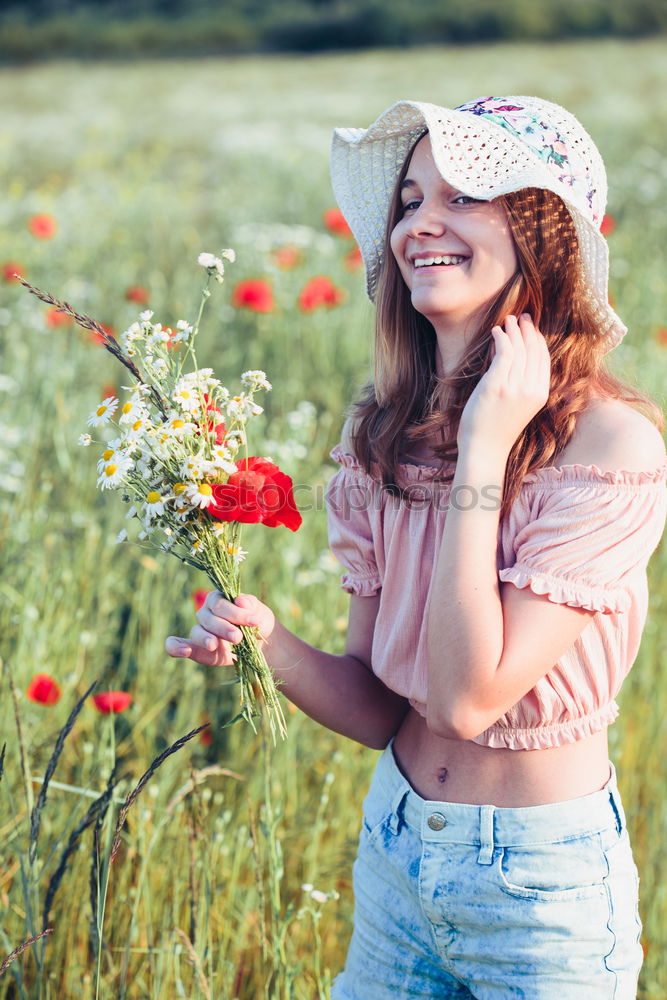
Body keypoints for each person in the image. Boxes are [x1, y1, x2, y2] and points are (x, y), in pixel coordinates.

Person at [166, 95, 667, 998]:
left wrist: (483, 448)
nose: (418, 225)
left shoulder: (611, 447)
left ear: (540, 229)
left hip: (539, 891)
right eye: (407, 201)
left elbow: (467, 698)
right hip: (396, 852)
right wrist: (269, 644)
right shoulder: (380, 436)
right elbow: (381, 708)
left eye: (463, 195)